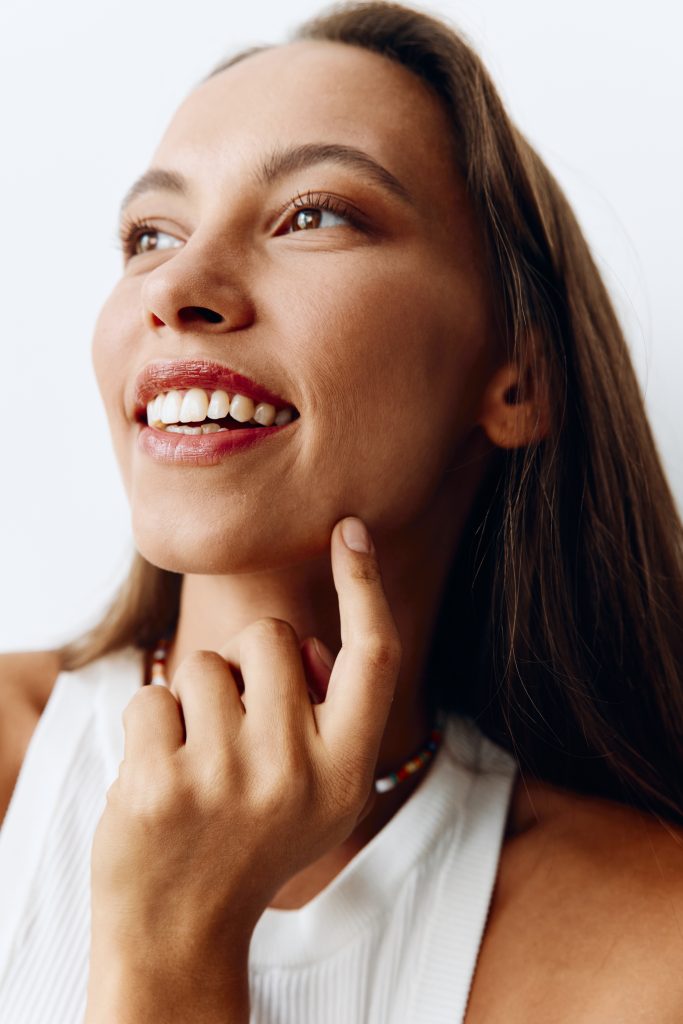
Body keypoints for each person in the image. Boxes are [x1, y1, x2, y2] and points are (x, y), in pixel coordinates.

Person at [1, 1, 682, 1021]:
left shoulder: (644, 935)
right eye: (151, 234)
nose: (178, 285)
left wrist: (176, 939)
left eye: (313, 213)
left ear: (517, 377)